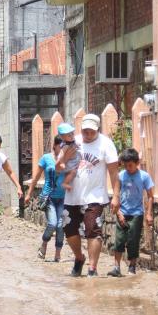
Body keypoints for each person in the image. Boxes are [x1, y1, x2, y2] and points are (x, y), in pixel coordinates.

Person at [57, 113, 120, 277]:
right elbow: (57, 169)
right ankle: (79, 258)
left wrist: (116, 196)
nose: (88, 134)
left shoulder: (106, 144)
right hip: (72, 197)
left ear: (97, 129)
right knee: (69, 230)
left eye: (91, 131)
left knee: (93, 230)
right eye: (85, 131)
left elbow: (114, 172)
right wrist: (65, 157)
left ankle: (92, 268)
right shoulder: (72, 142)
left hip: (95, 196)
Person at [107, 148, 155, 277]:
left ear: (137, 163)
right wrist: (119, 214)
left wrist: (149, 213)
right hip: (122, 212)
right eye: (126, 165)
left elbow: (150, 195)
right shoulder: (121, 176)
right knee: (119, 240)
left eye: (130, 165)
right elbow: (116, 196)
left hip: (137, 214)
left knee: (133, 240)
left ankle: (132, 266)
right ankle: (116, 267)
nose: (128, 168)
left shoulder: (144, 176)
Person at [25, 135, 66, 262]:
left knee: (60, 226)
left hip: (64, 198)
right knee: (53, 223)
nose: (63, 149)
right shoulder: (46, 158)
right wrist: (29, 193)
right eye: (61, 146)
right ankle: (43, 245)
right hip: (49, 197)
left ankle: (57, 254)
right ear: (55, 145)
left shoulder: (68, 160)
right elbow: (36, 177)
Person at [56, 123, 81, 191]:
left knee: (72, 172)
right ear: (63, 137)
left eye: (72, 134)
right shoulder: (66, 145)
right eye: (69, 135)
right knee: (73, 172)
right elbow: (61, 155)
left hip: (73, 162)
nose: (72, 136)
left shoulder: (73, 141)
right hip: (70, 164)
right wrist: (62, 163)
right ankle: (65, 183)